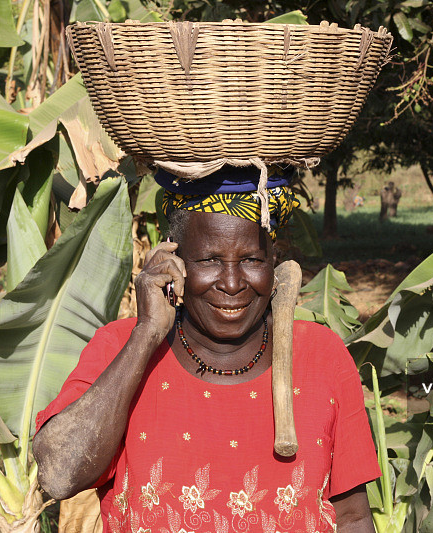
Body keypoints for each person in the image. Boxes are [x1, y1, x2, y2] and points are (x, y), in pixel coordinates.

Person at [33, 166, 381, 533]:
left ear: (273, 262)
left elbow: (353, 517)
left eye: (251, 260)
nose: (232, 283)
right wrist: (147, 333)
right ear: (174, 261)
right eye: (210, 260)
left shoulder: (321, 354)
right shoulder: (121, 346)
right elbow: (58, 475)